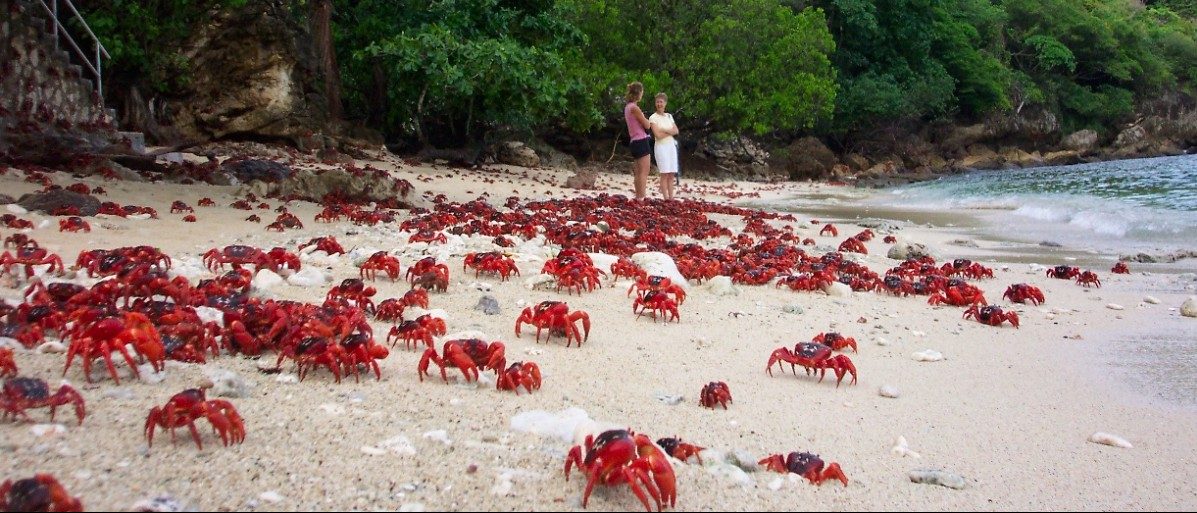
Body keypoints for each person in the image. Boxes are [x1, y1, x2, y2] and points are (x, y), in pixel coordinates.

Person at [624, 82, 653, 200]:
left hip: (634, 141)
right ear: (639, 93)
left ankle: (638, 196)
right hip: (641, 140)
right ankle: (641, 197)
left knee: (638, 171)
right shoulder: (634, 108)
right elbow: (646, 124)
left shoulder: (627, 107)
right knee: (644, 172)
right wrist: (648, 121)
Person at [648, 92, 680, 200]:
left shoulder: (669, 116)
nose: (659, 104)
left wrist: (665, 130)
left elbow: (676, 130)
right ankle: (666, 198)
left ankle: (671, 197)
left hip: (671, 146)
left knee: (671, 173)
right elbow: (657, 135)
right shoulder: (653, 118)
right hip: (661, 147)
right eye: (657, 102)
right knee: (664, 173)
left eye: (661, 102)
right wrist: (669, 131)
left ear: (665, 103)